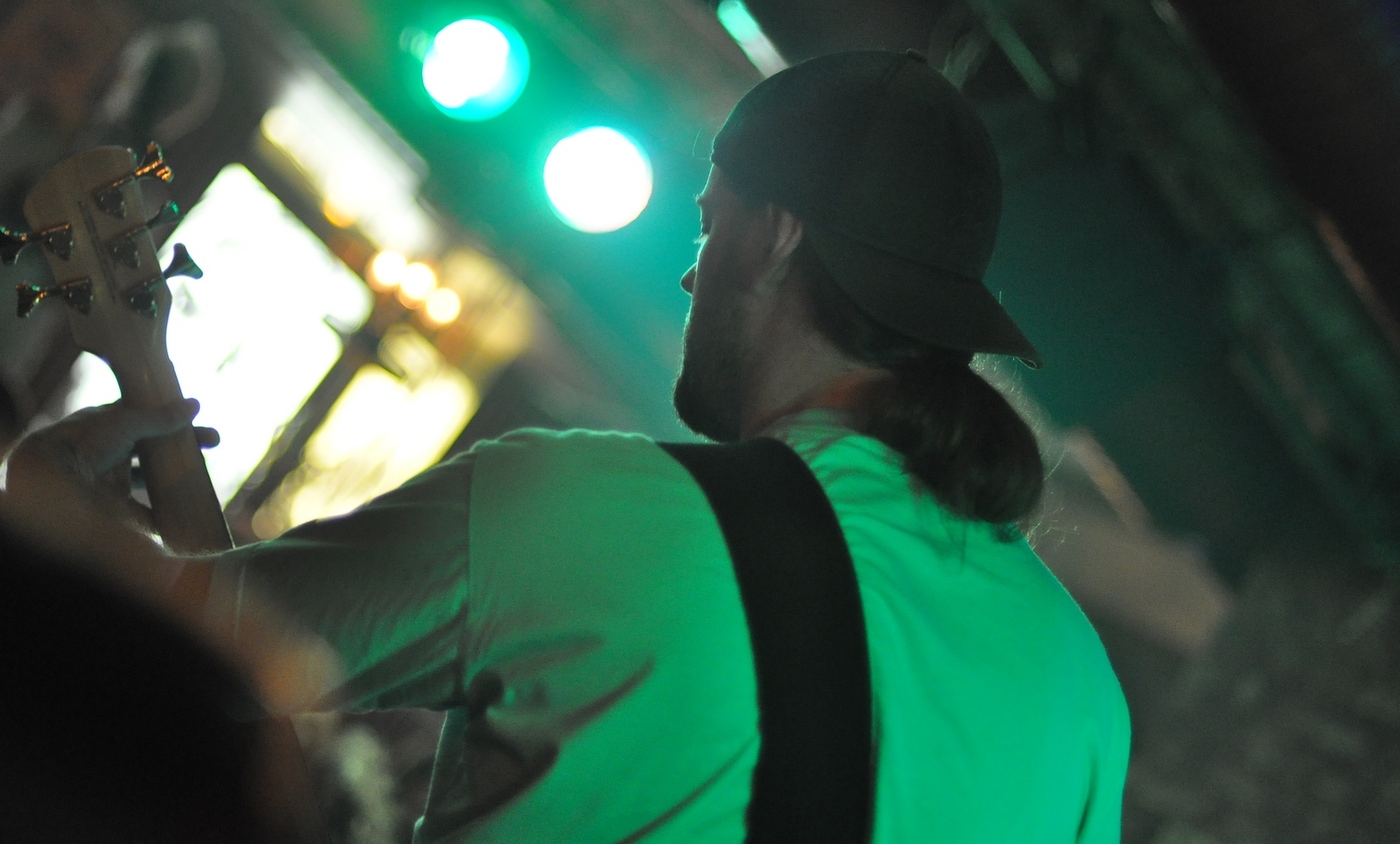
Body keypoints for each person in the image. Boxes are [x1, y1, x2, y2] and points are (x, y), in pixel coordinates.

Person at [2, 50, 1130, 842]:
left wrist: (43, 504)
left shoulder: (585, 511)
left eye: (709, 221)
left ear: (772, 238)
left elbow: (170, 674)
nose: (689, 271)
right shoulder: (1084, 698)